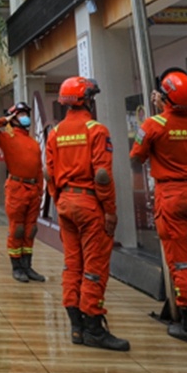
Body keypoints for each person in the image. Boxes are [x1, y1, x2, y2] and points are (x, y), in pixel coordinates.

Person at [131, 68, 187, 346]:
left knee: (181, 262)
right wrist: (166, 107)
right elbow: (180, 124)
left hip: (171, 197)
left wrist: (157, 113)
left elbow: (137, 157)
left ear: (165, 97)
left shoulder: (152, 125)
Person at [45, 76, 129, 352]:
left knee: (72, 264)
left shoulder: (55, 132)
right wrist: (110, 212)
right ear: (87, 100)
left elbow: (49, 172)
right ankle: (93, 326)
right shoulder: (96, 130)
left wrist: (59, 200)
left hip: (65, 204)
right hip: (91, 205)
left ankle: (76, 326)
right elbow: (102, 176)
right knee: (93, 268)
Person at [0, 102, 46, 283]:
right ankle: (17, 267)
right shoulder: (7, 137)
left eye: (26, 113)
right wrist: (4, 120)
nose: (25, 117)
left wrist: (40, 191)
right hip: (17, 188)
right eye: (21, 114)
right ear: (14, 118)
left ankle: (28, 266)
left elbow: (39, 169)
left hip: (33, 190)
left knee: (30, 229)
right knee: (17, 229)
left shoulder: (33, 142)